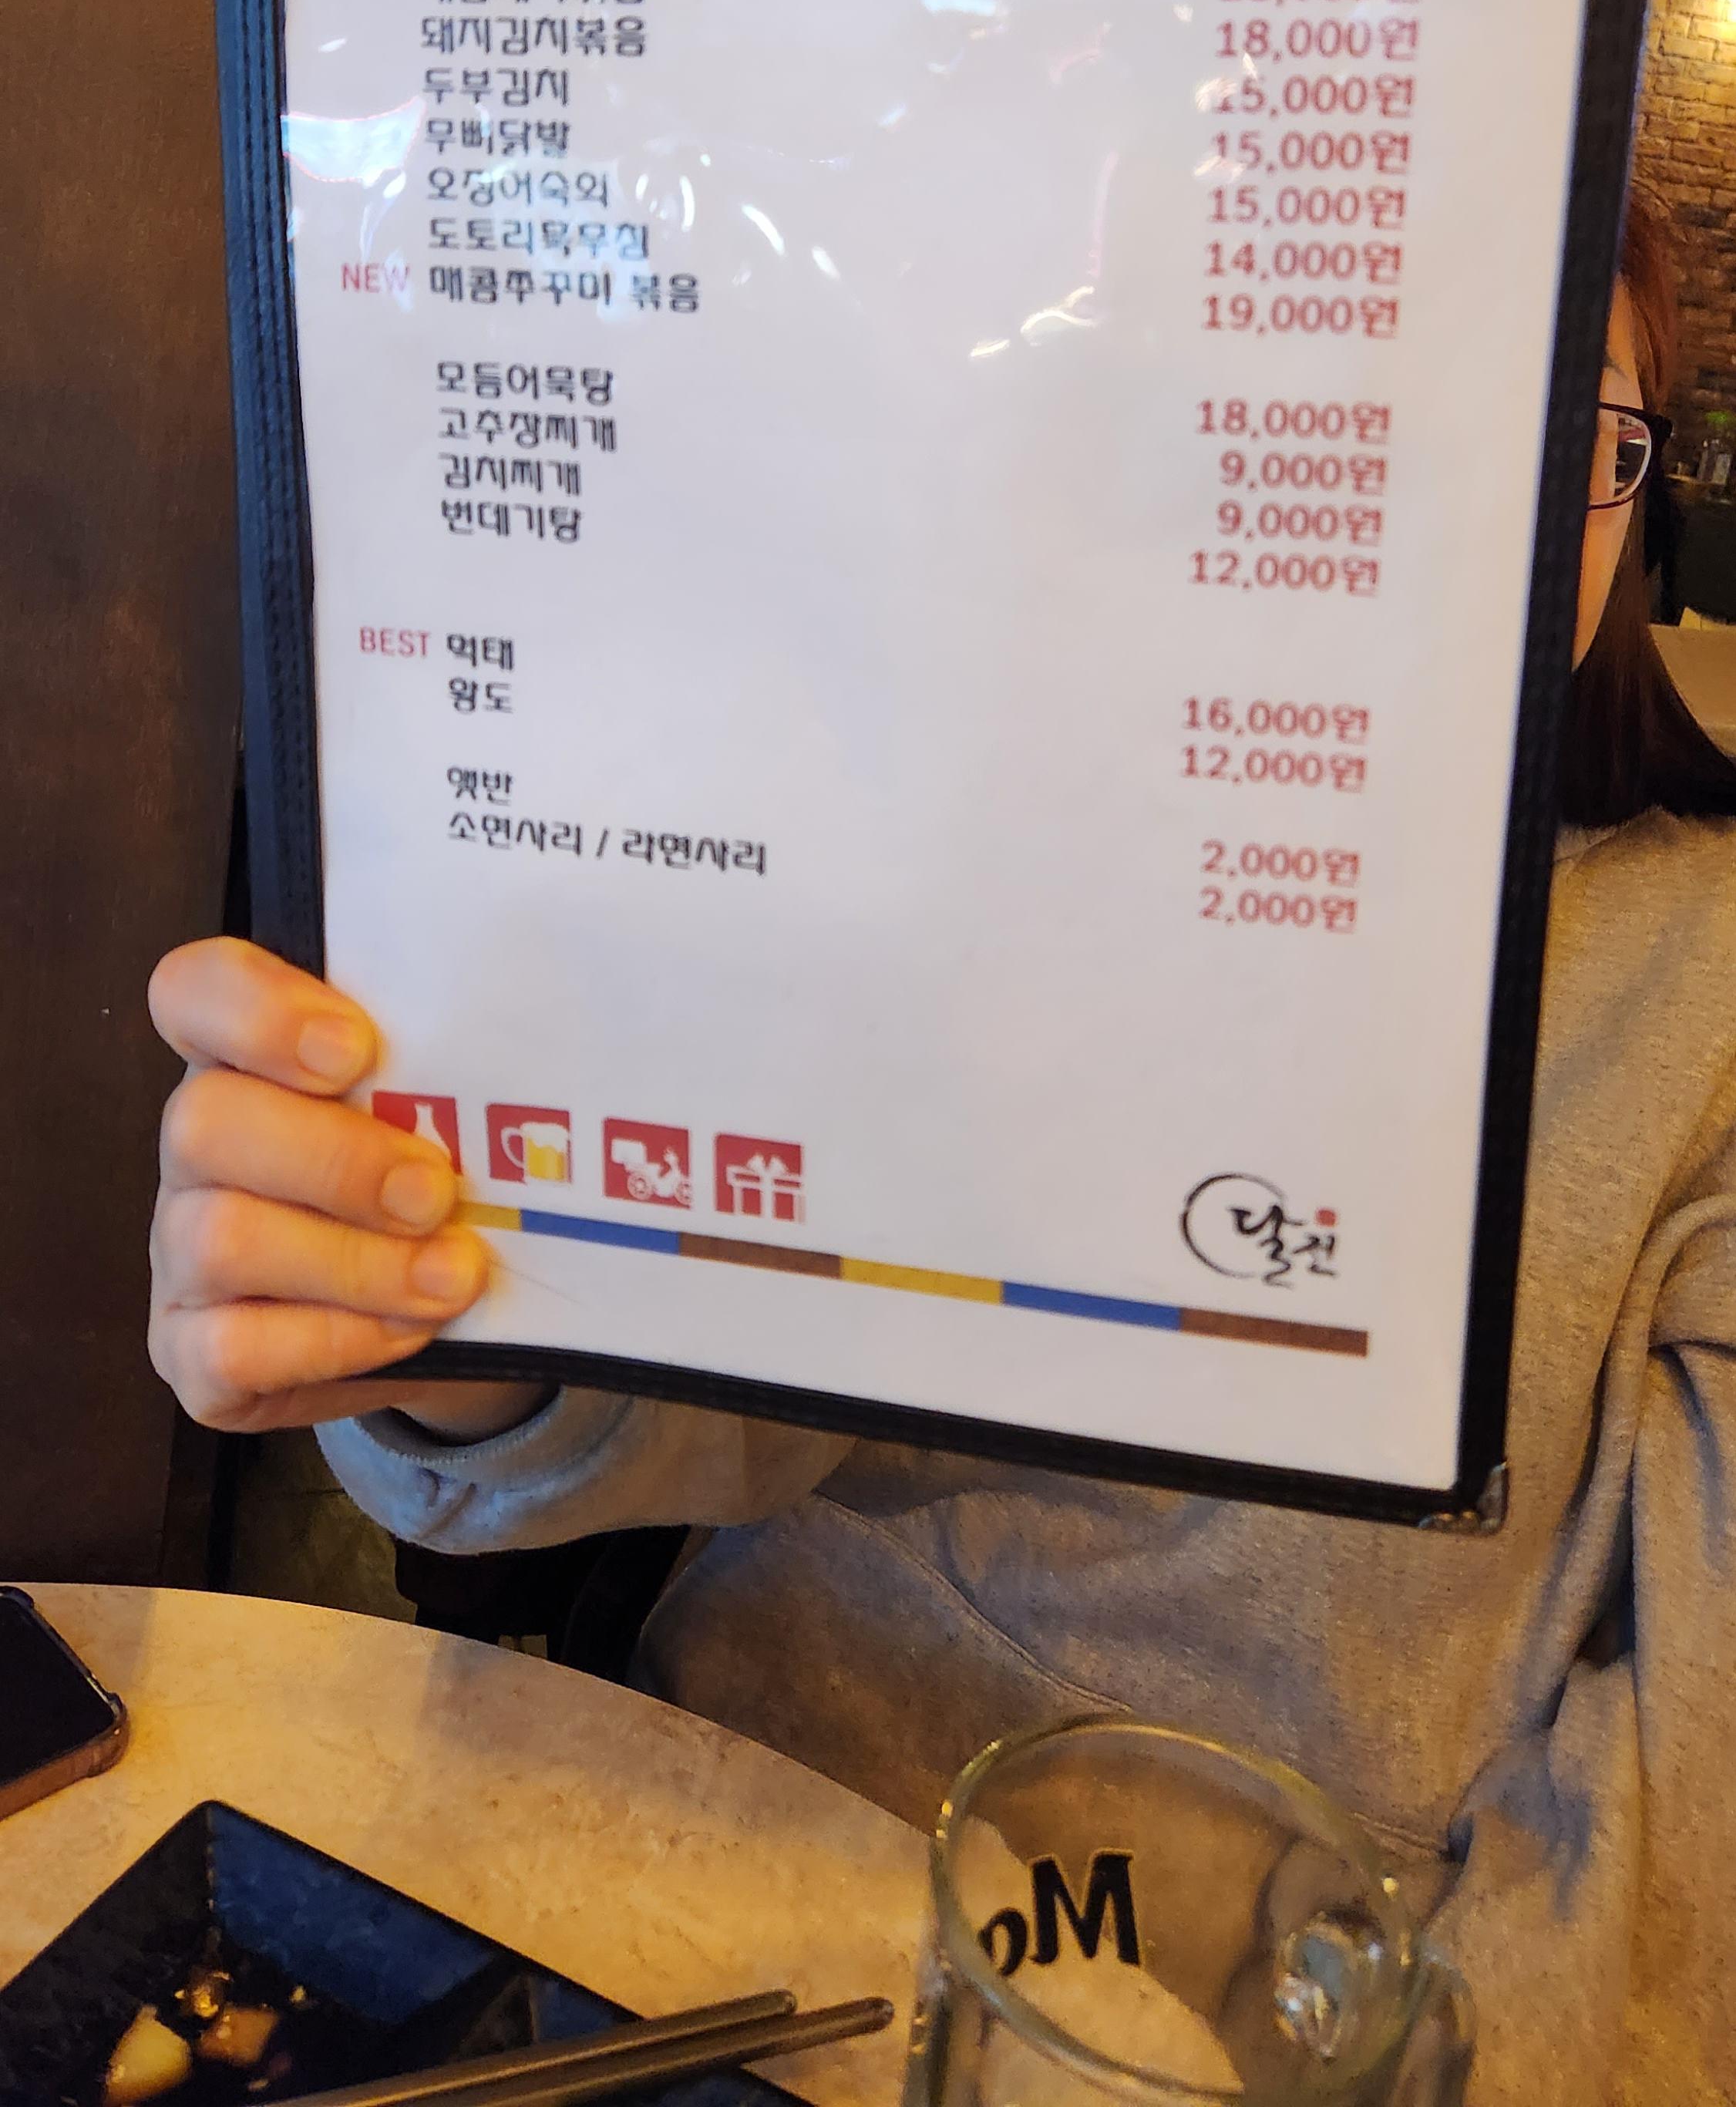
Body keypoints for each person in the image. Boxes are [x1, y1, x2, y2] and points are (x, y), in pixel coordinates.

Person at [148, 195, 1736, 2105]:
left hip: (1303, 2021)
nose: (1450, 499)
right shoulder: (961, 846)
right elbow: (700, 1400)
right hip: (751, 1868)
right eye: (1366, 386)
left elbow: (1684, 1822)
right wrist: (451, 1311)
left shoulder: (1699, 975)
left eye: (1566, 426)